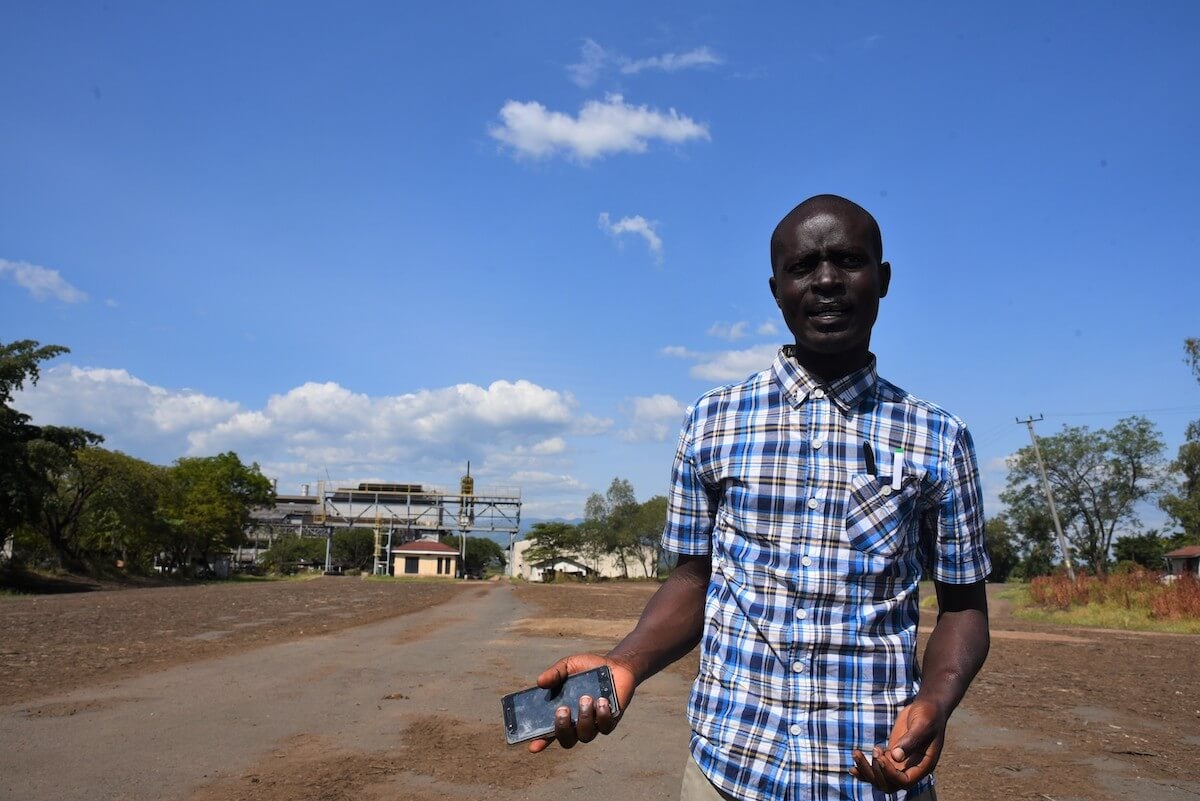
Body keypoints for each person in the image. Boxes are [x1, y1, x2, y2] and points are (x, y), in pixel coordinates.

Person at [527, 194, 990, 801]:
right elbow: (694, 579)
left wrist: (936, 699)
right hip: (729, 772)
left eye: (848, 261)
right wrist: (625, 662)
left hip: (876, 772)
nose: (826, 281)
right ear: (776, 290)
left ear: (883, 280)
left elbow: (962, 606)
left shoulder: (938, 437)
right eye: (804, 267)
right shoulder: (713, 420)